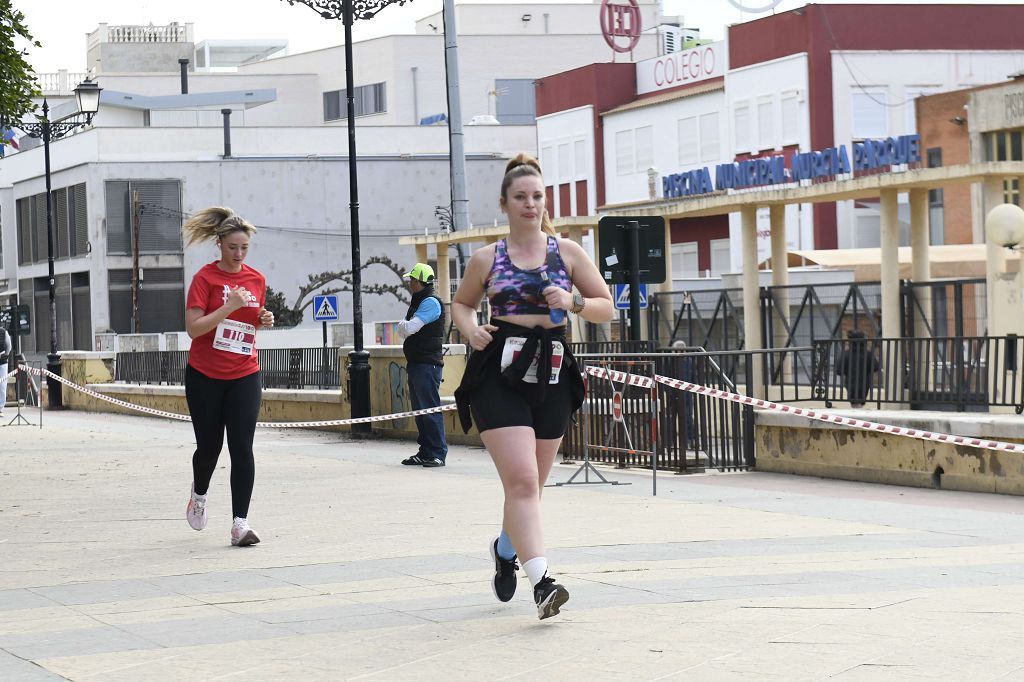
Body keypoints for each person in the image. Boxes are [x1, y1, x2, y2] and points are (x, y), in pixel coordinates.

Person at [452, 153, 614, 620]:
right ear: (504, 203)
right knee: (522, 481)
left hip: (553, 369)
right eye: (520, 197)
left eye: (537, 196)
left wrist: (574, 301)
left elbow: (607, 306)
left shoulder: (567, 253)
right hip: (498, 371)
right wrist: (470, 328)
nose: (529, 204)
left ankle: (506, 550)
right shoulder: (488, 257)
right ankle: (543, 581)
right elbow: (462, 305)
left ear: (545, 201)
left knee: (531, 488)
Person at [182, 207, 274, 547]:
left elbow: (249, 323)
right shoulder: (204, 280)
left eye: (244, 248)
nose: (238, 254)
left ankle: (240, 525)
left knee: (242, 447)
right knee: (209, 447)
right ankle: (199, 494)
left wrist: (263, 319)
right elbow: (194, 329)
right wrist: (228, 306)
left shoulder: (256, 279)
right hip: (205, 374)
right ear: (219, 244)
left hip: (244, 373)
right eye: (233, 247)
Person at [397, 262, 448, 468]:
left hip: (428, 364)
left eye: (412, 280)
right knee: (420, 410)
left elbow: (409, 328)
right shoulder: (419, 301)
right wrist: (404, 327)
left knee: (430, 409)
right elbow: (406, 328)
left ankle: (437, 453)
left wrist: (403, 326)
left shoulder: (430, 302)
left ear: (420, 282)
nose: (410, 283)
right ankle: (425, 451)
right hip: (418, 363)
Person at [836, 329, 879, 408]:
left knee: (854, 403)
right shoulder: (868, 354)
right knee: (860, 402)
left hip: (850, 383)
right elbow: (875, 367)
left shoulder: (846, 354)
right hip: (864, 383)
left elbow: (838, 370)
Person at [0, 324, 11, 416]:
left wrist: (5, 356)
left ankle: (0, 407)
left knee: (2, 385)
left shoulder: (3, 332)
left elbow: (8, 346)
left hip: (2, 361)